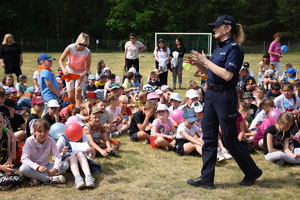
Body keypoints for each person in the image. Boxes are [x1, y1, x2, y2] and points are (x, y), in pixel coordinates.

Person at [186, 15, 262, 189]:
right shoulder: (220, 47)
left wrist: (206, 61)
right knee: (209, 137)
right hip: (211, 96)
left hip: (225, 97)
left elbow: (227, 75)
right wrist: (199, 64)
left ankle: (252, 171)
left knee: (229, 139)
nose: (214, 29)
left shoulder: (234, 49)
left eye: (217, 26)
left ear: (227, 28)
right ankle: (206, 178)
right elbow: (212, 73)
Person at [20, 119, 69, 185]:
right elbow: (24, 159)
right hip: (33, 168)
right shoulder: (29, 141)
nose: (43, 134)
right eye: (39, 131)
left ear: (48, 131)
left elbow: (57, 156)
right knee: (23, 168)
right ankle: (47, 179)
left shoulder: (51, 140)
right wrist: (37, 167)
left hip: (46, 167)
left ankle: (37, 179)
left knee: (65, 164)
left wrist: (55, 169)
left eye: (45, 131)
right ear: (34, 132)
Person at [57, 116, 96, 189]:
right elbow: (54, 157)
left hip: (82, 161)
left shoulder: (83, 137)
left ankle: (88, 177)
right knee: (73, 156)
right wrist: (62, 153)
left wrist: (92, 151)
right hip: (69, 162)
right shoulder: (62, 138)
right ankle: (78, 179)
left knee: (80, 153)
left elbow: (91, 156)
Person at [59, 32, 92, 108]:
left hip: (81, 72)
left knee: (77, 93)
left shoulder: (87, 52)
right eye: (81, 44)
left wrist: (84, 73)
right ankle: (73, 108)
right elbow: (61, 60)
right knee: (71, 95)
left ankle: (78, 111)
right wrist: (64, 70)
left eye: (85, 45)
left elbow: (88, 67)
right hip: (70, 70)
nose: (83, 47)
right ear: (77, 41)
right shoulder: (71, 47)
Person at [0, 113, 22, 191]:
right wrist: (2, 167)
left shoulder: (7, 136)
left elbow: (9, 155)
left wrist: (8, 165)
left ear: (3, 122)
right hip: (1, 167)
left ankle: (5, 181)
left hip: (4, 167)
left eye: (0, 122)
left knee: (17, 178)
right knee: (6, 182)